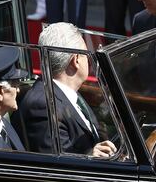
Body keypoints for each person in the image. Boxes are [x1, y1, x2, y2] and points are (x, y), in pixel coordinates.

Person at [12, 22, 118, 157]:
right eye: (87, 54)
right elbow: (57, 166)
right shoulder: (43, 107)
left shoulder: (68, 93)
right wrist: (90, 156)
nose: (90, 60)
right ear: (76, 60)